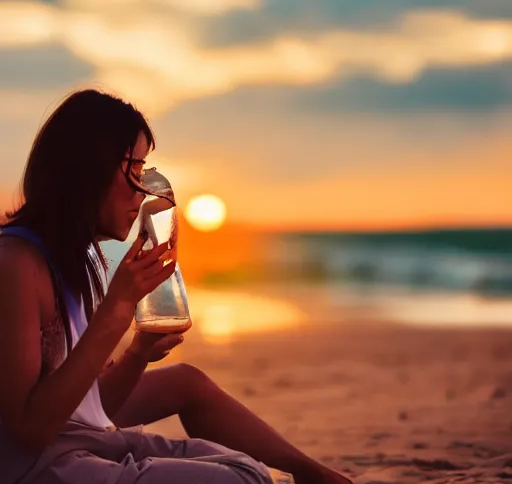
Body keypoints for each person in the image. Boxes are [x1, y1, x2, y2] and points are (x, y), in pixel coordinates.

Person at [0, 89, 352, 484]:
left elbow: (91, 407)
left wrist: (138, 352)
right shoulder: (16, 265)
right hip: (35, 466)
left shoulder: (68, 258)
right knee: (245, 478)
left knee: (231, 448)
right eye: (134, 169)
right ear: (89, 170)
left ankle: (312, 473)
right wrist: (117, 311)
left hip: (73, 442)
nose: (144, 188)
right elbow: (29, 430)